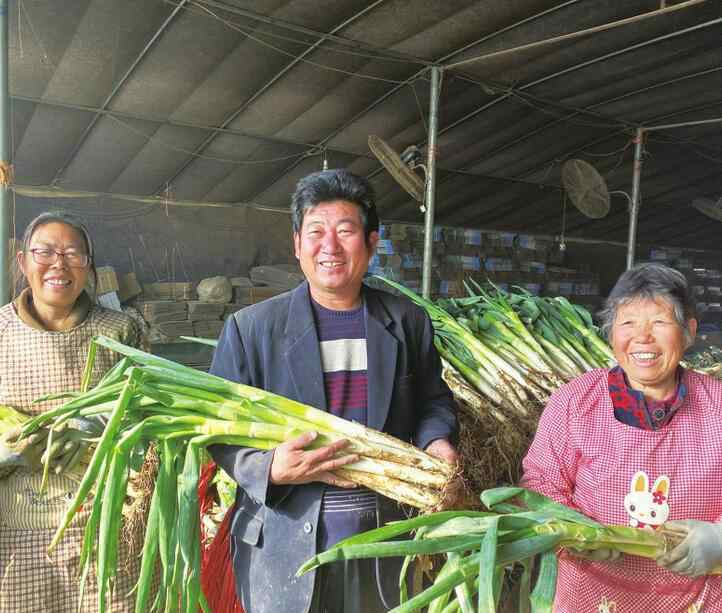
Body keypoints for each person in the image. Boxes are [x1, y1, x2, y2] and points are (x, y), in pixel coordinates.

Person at [209, 168, 458, 613]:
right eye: (316, 232)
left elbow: (432, 400)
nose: (330, 246)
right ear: (297, 244)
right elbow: (220, 431)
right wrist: (268, 469)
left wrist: (437, 441)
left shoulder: (406, 321)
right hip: (283, 539)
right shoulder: (252, 329)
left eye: (346, 231)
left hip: (385, 537)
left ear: (371, 242)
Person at [522, 262, 722, 612]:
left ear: (689, 331)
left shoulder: (717, 405)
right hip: (591, 597)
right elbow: (540, 482)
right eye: (628, 323)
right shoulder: (576, 400)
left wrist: (721, 539)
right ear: (611, 333)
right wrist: (573, 531)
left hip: (698, 599)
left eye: (659, 322)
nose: (643, 337)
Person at [0, 212, 146, 612]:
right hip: (14, 535)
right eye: (44, 252)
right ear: (22, 261)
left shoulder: (120, 331)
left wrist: (95, 426)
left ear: (89, 266)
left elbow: (148, 418)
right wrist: (9, 450)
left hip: (104, 532)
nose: (58, 265)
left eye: (72, 254)